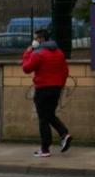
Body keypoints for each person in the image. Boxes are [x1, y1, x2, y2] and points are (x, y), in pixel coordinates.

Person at [21, 28, 71, 158]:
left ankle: (45, 148)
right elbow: (65, 71)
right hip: (56, 88)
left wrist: (27, 52)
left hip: (43, 89)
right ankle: (64, 134)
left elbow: (26, 68)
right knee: (49, 115)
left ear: (41, 39)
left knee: (43, 119)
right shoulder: (59, 52)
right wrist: (60, 85)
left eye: (36, 38)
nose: (34, 41)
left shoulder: (38, 53)